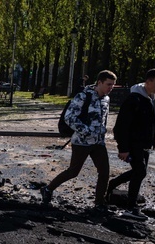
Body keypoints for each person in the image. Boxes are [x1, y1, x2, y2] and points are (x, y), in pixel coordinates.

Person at [41, 70, 117, 213]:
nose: (110, 88)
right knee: (73, 171)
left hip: (98, 142)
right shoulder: (83, 96)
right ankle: (47, 189)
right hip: (81, 142)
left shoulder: (106, 99)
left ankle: (99, 203)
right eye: (108, 84)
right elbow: (69, 118)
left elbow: (103, 119)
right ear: (99, 82)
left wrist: (101, 133)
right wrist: (86, 131)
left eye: (113, 85)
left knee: (104, 172)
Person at [109, 68, 155, 221]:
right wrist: (123, 149)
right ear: (148, 82)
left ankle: (113, 184)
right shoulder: (134, 99)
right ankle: (131, 207)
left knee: (140, 171)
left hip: (146, 143)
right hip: (133, 143)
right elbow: (121, 127)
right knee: (140, 172)